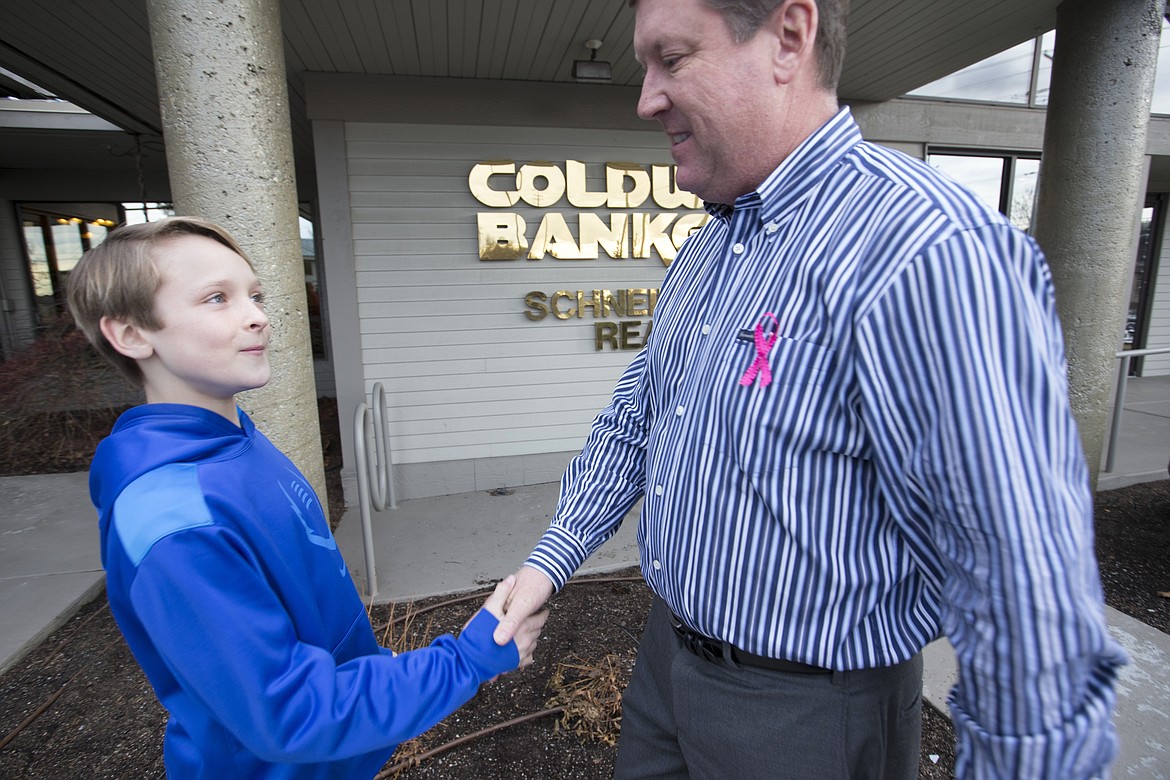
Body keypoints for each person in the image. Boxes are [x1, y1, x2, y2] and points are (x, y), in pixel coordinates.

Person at [493, 0, 1126, 777]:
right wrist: (549, 562)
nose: (646, 96)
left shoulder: (924, 251)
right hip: (665, 665)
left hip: (808, 716)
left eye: (673, 58)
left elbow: (1023, 596)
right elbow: (636, 418)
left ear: (790, 37)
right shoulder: (708, 249)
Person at [66, 217, 546, 779]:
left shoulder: (235, 436)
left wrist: (372, 668)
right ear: (130, 335)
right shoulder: (174, 520)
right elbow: (289, 712)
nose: (257, 316)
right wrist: (467, 660)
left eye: (255, 294)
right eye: (216, 298)